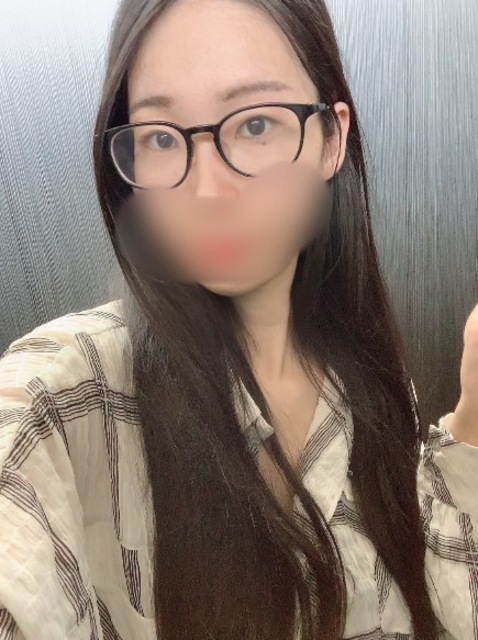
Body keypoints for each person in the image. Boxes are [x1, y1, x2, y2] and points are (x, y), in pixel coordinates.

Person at [0, 0, 477, 638]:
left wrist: (471, 422)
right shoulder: (67, 395)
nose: (207, 191)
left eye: (255, 125)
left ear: (332, 140)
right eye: (160, 138)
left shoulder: (374, 386)